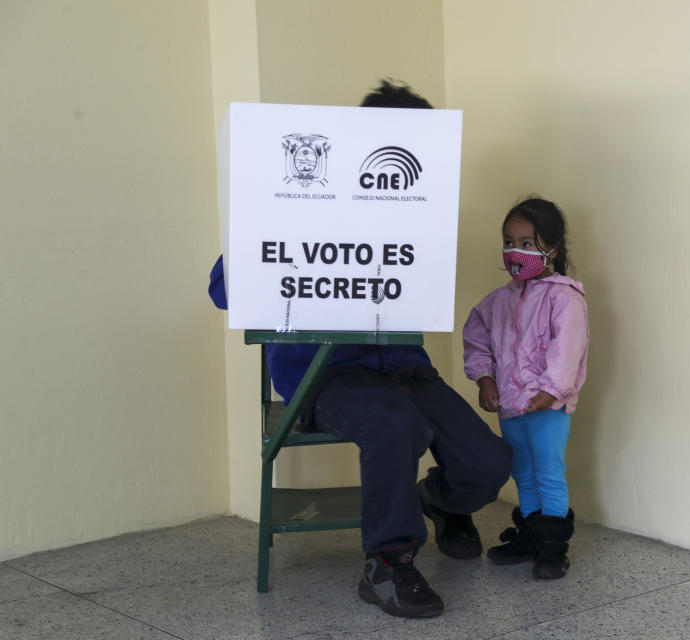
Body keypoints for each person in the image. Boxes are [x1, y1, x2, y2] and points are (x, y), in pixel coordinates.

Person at [209, 80, 512, 619]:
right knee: (395, 424)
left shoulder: (414, 207)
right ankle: (388, 563)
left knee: (488, 462)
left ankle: (438, 501)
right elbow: (223, 291)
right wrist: (259, 227)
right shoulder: (293, 203)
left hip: (405, 367)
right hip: (325, 373)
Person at [462, 197, 589, 580]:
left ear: (551, 248)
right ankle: (531, 535)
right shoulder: (496, 301)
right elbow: (476, 338)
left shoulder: (563, 298)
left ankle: (553, 547)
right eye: (509, 241)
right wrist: (485, 378)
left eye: (527, 243)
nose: (516, 251)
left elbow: (568, 348)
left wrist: (552, 391)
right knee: (524, 473)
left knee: (548, 470)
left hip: (547, 408)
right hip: (511, 408)